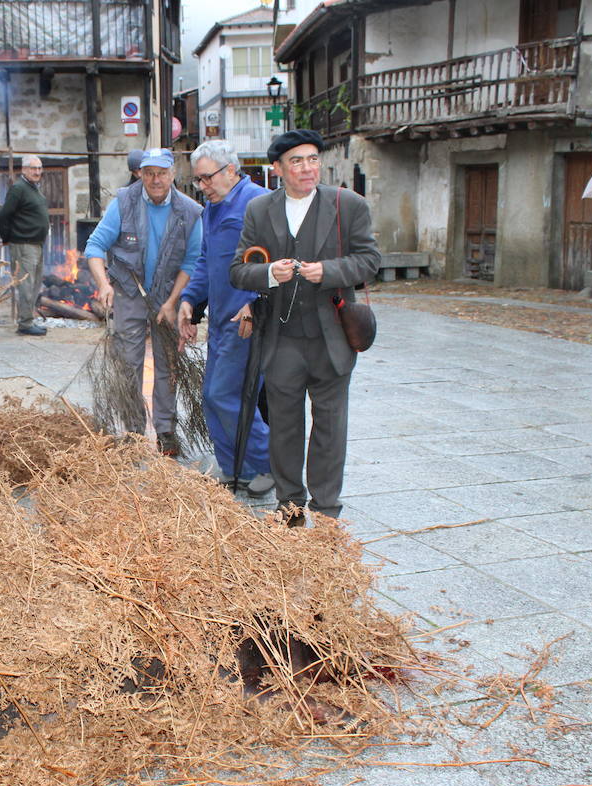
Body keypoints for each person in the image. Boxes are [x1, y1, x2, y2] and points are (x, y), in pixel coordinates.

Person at [229, 129, 381, 525]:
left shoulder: (347, 205)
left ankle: (327, 510)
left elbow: (369, 260)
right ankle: (290, 506)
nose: (308, 167)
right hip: (281, 340)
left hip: (332, 336)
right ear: (277, 168)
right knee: (284, 428)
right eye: (297, 161)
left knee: (330, 427)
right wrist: (268, 273)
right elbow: (238, 271)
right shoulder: (260, 210)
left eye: (313, 158)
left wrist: (327, 271)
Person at [85, 148, 203, 457]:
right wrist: (103, 284)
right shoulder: (124, 202)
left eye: (161, 173)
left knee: (169, 366)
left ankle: (165, 430)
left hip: (168, 297)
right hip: (128, 293)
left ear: (172, 174)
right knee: (128, 365)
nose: (155, 179)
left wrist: (173, 302)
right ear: (140, 173)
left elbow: (192, 262)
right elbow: (95, 246)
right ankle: (134, 431)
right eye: (148, 173)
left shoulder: (190, 211)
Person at [176, 139, 273, 495]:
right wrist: (189, 300)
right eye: (198, 180)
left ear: (230, 170)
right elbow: (205, 262)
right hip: (220, 319)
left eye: (205, 179)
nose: (201, 187)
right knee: (212, 397)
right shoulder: (212, 210)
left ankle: (268, 463)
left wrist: (256, 302)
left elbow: (276, 261)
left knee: (229, 396)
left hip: (246, 320)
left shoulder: (260, 203)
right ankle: (236, 467)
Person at [0, 155, 50, 336]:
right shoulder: (18, 188)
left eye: (39, 168)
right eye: (33, 168)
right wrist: (7, 238)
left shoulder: (33, 188)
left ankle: (28, 319)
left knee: (34, 284)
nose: (37, 172)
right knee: (26, 285)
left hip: (36, 244)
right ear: (24, 169)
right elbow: (3, 215)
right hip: (24, 244)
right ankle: (25, 324)